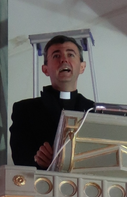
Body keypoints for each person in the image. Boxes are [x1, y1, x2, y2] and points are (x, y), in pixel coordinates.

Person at [10, 35, 95, 167]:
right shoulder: (25, 110)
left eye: (70, 54)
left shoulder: (94, 111)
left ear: (82, 67)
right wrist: (39, 161)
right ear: (45, 69)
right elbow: (20, 157)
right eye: (56, 56)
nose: (64, 60)